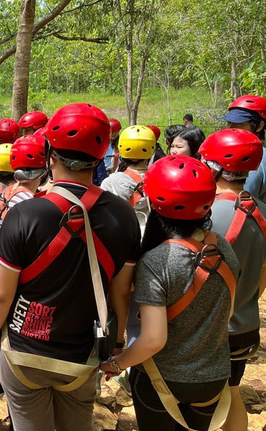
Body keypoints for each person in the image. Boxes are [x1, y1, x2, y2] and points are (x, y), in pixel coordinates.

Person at [0, 103, 140, 431]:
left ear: (49, 154)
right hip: (82, 355)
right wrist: (118, 342)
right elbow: (121, 293)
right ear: (100, 159)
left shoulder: (25, 215)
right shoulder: (123, 216)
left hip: (25, 352)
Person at [100, 155, 239, 431]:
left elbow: (153, 339)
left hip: (161, 379)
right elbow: (227, 313)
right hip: (213, 377)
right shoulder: (224, 249)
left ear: (154, 202)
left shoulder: (156, 261)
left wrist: (116, 365)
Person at [199, 129, 266, 431]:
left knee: (197, 403)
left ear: (213, 166)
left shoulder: (203, 213)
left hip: (204, 329)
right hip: (244, 326)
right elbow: (262, 277)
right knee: (232, 392)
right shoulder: (263, 212)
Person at [101, 125, 157, 230]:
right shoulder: (159, 180)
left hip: (123, 237)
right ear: (152, 150)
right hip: (152, 238)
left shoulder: (110, 183)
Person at [220, 95, 266, 200]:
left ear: (259, 126)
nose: (231, 128)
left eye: (238, 124)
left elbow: (242, 202)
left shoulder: (254, 158)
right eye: (229, 123)